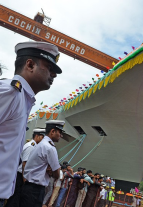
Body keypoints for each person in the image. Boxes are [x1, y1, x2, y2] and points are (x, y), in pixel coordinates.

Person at [0, 41, 62, 207]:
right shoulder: (10, 93)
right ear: (30, 64)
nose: (54, 74)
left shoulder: (22, 99)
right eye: (50, 67)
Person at [20, 120, 65, 207]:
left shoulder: (40, 144)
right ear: (52, 131)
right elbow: (57, 174)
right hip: (35, 190)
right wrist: (51, 171)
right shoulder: (50, 148)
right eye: (59, 132)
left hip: (28, 187)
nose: (61, 135)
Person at [6, 128, 45, 207]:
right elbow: (25, 164)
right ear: (37, 136)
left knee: (18, 198)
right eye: (42, 137)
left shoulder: (35, 146)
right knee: (15, 197)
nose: (43, 139)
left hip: (22, 175)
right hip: (21, 175)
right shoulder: (31, 147)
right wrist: (25, 179)